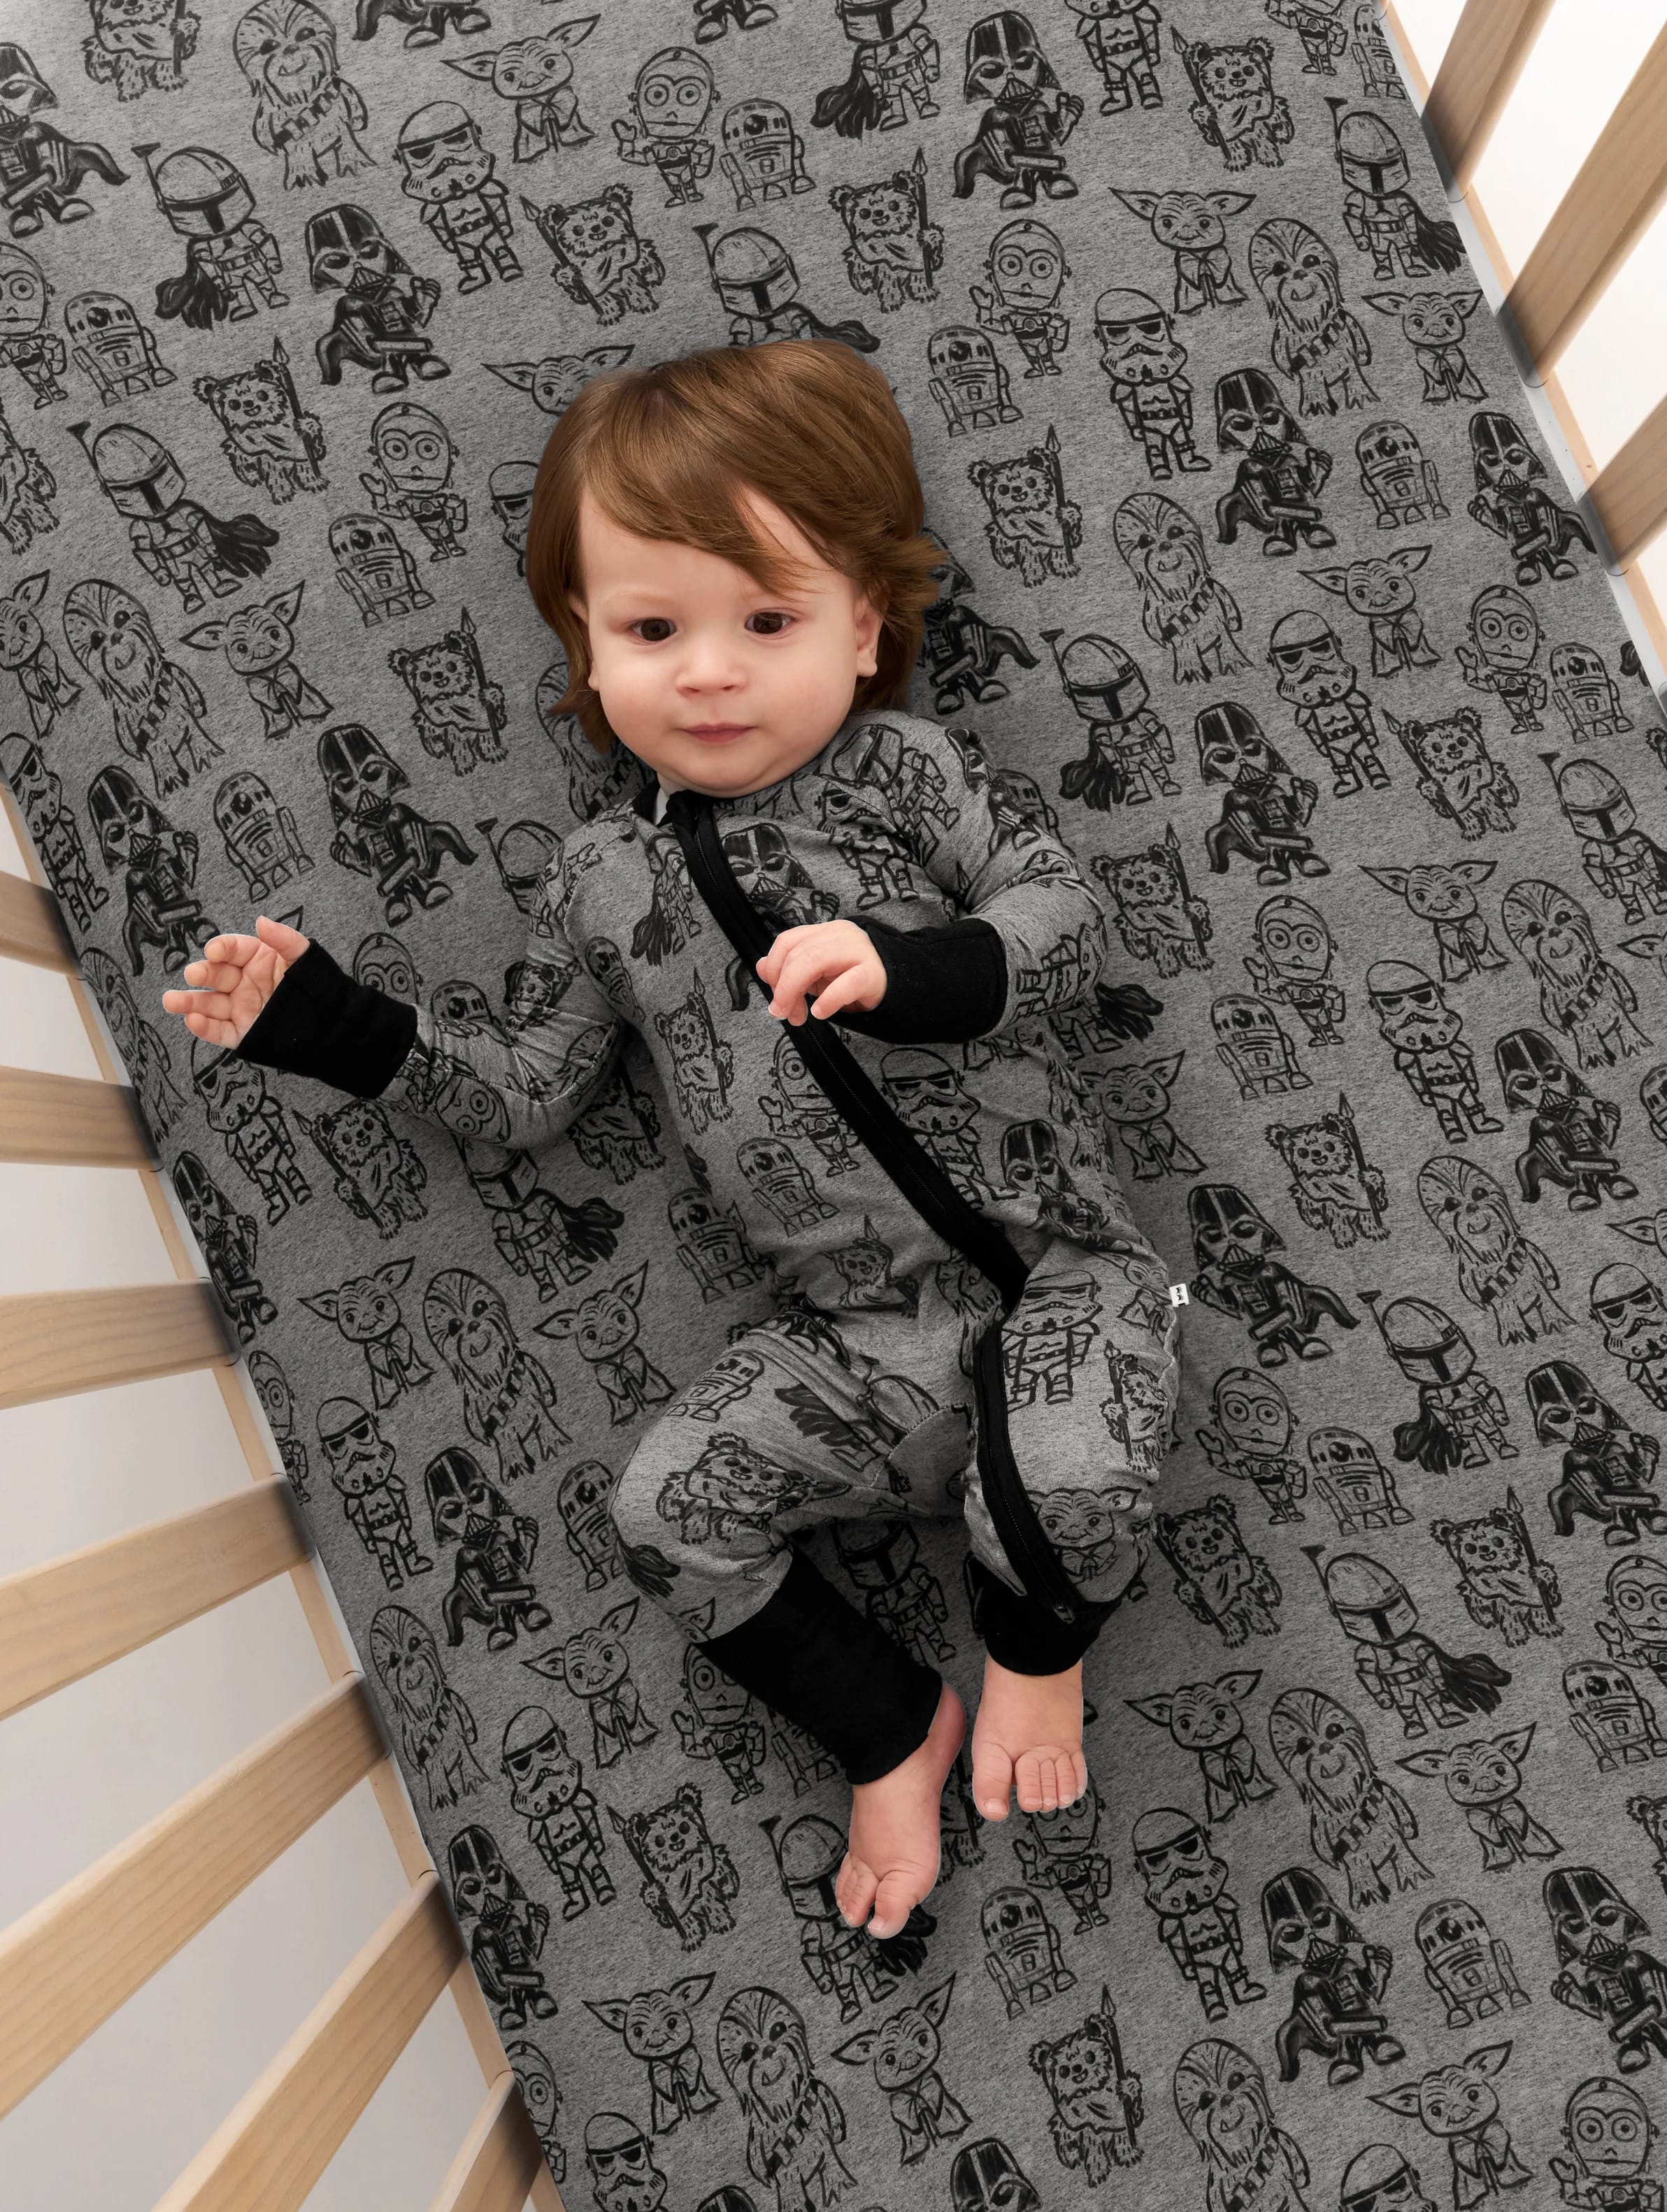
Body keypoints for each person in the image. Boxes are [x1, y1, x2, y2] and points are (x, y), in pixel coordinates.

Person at [162, 339, 1180, 1945]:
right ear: (589, 646)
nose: (708, 673)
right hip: (864, 1340)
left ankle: (1032, 1657)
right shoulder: (598, 882)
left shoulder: (902, 771)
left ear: (863, 628)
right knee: (664, 1512)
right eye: (652, 631)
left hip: (1063, 1276)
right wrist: (329, 1022)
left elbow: (1057, 905)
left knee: (1066, 1480)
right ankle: (889, 1727)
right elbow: (525, 1088)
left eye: (765, 622)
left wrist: (908, 969)